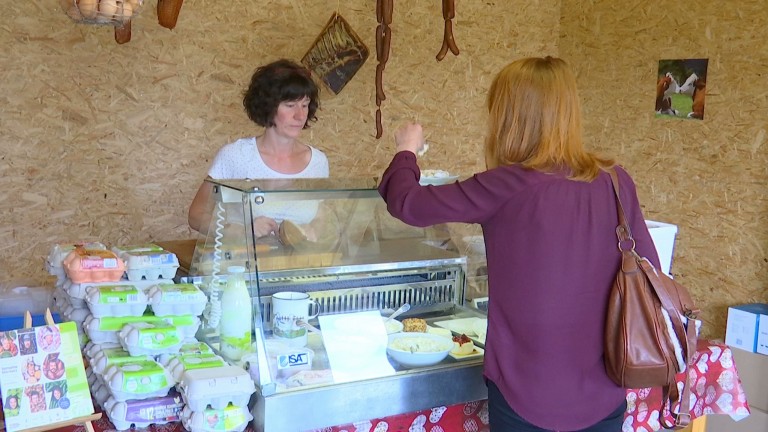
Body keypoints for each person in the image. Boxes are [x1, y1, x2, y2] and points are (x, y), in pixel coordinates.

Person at [378, 56, 661, 431]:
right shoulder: (615, 180)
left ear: (509, 118)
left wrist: (407, 150)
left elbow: (407, 202)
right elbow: (651, 268)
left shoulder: (505, 185)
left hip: (526, 392)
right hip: (605, 388)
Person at [188, 58, 330, 239]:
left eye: (304, 105)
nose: (300, 115)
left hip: (298, 264)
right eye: (290, 105)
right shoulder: (236, 155)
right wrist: (243, 231)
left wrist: (314, 231)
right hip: (242, 265)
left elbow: (320, 216)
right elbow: (196, 215)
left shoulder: (318, 162)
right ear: (268, 106)